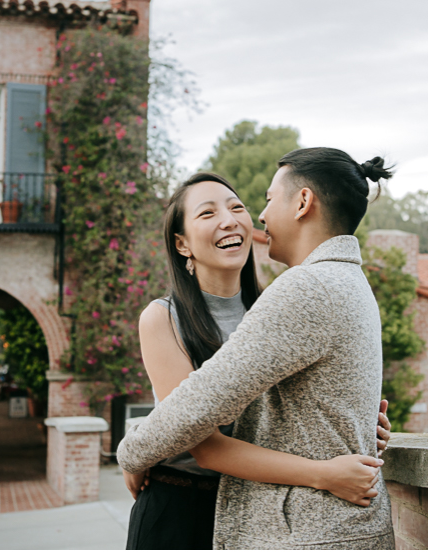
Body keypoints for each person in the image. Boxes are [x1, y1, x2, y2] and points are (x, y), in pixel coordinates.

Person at [118, 149, 397, 550]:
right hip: (182, 506)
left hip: (264, 511)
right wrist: (139, 451)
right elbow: (195, 428)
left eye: (244, 206)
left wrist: (353, 423)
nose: (252, 217)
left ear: (302, 202)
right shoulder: (166, 316)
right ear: (181, 244)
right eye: (207, 213)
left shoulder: (291, 296)